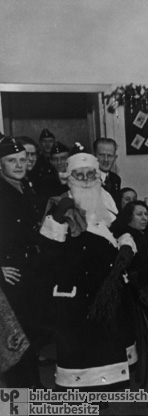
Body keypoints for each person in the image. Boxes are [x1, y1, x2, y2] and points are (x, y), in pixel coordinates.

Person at [39, 152, 137, 390]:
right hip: (76, 288)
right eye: (79, 175)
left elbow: (122, 230)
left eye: (89, 174)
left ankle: (107, 389)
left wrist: (125, 247)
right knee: (81, 345)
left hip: (106, 285)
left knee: (107, 340)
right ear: (69, 177)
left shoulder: (106, 198)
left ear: (97, 176)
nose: (84, 179)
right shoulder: (61, 203)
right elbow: (49, 248)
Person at [0, 137, 44, 387]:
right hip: (11, 273)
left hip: (29, 270)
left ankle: (32, 389)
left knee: (30, 335)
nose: (18, 165)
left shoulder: (25, 185)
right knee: (14, 341)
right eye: (11, 161)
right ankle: (21, 398)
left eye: (22, 160)